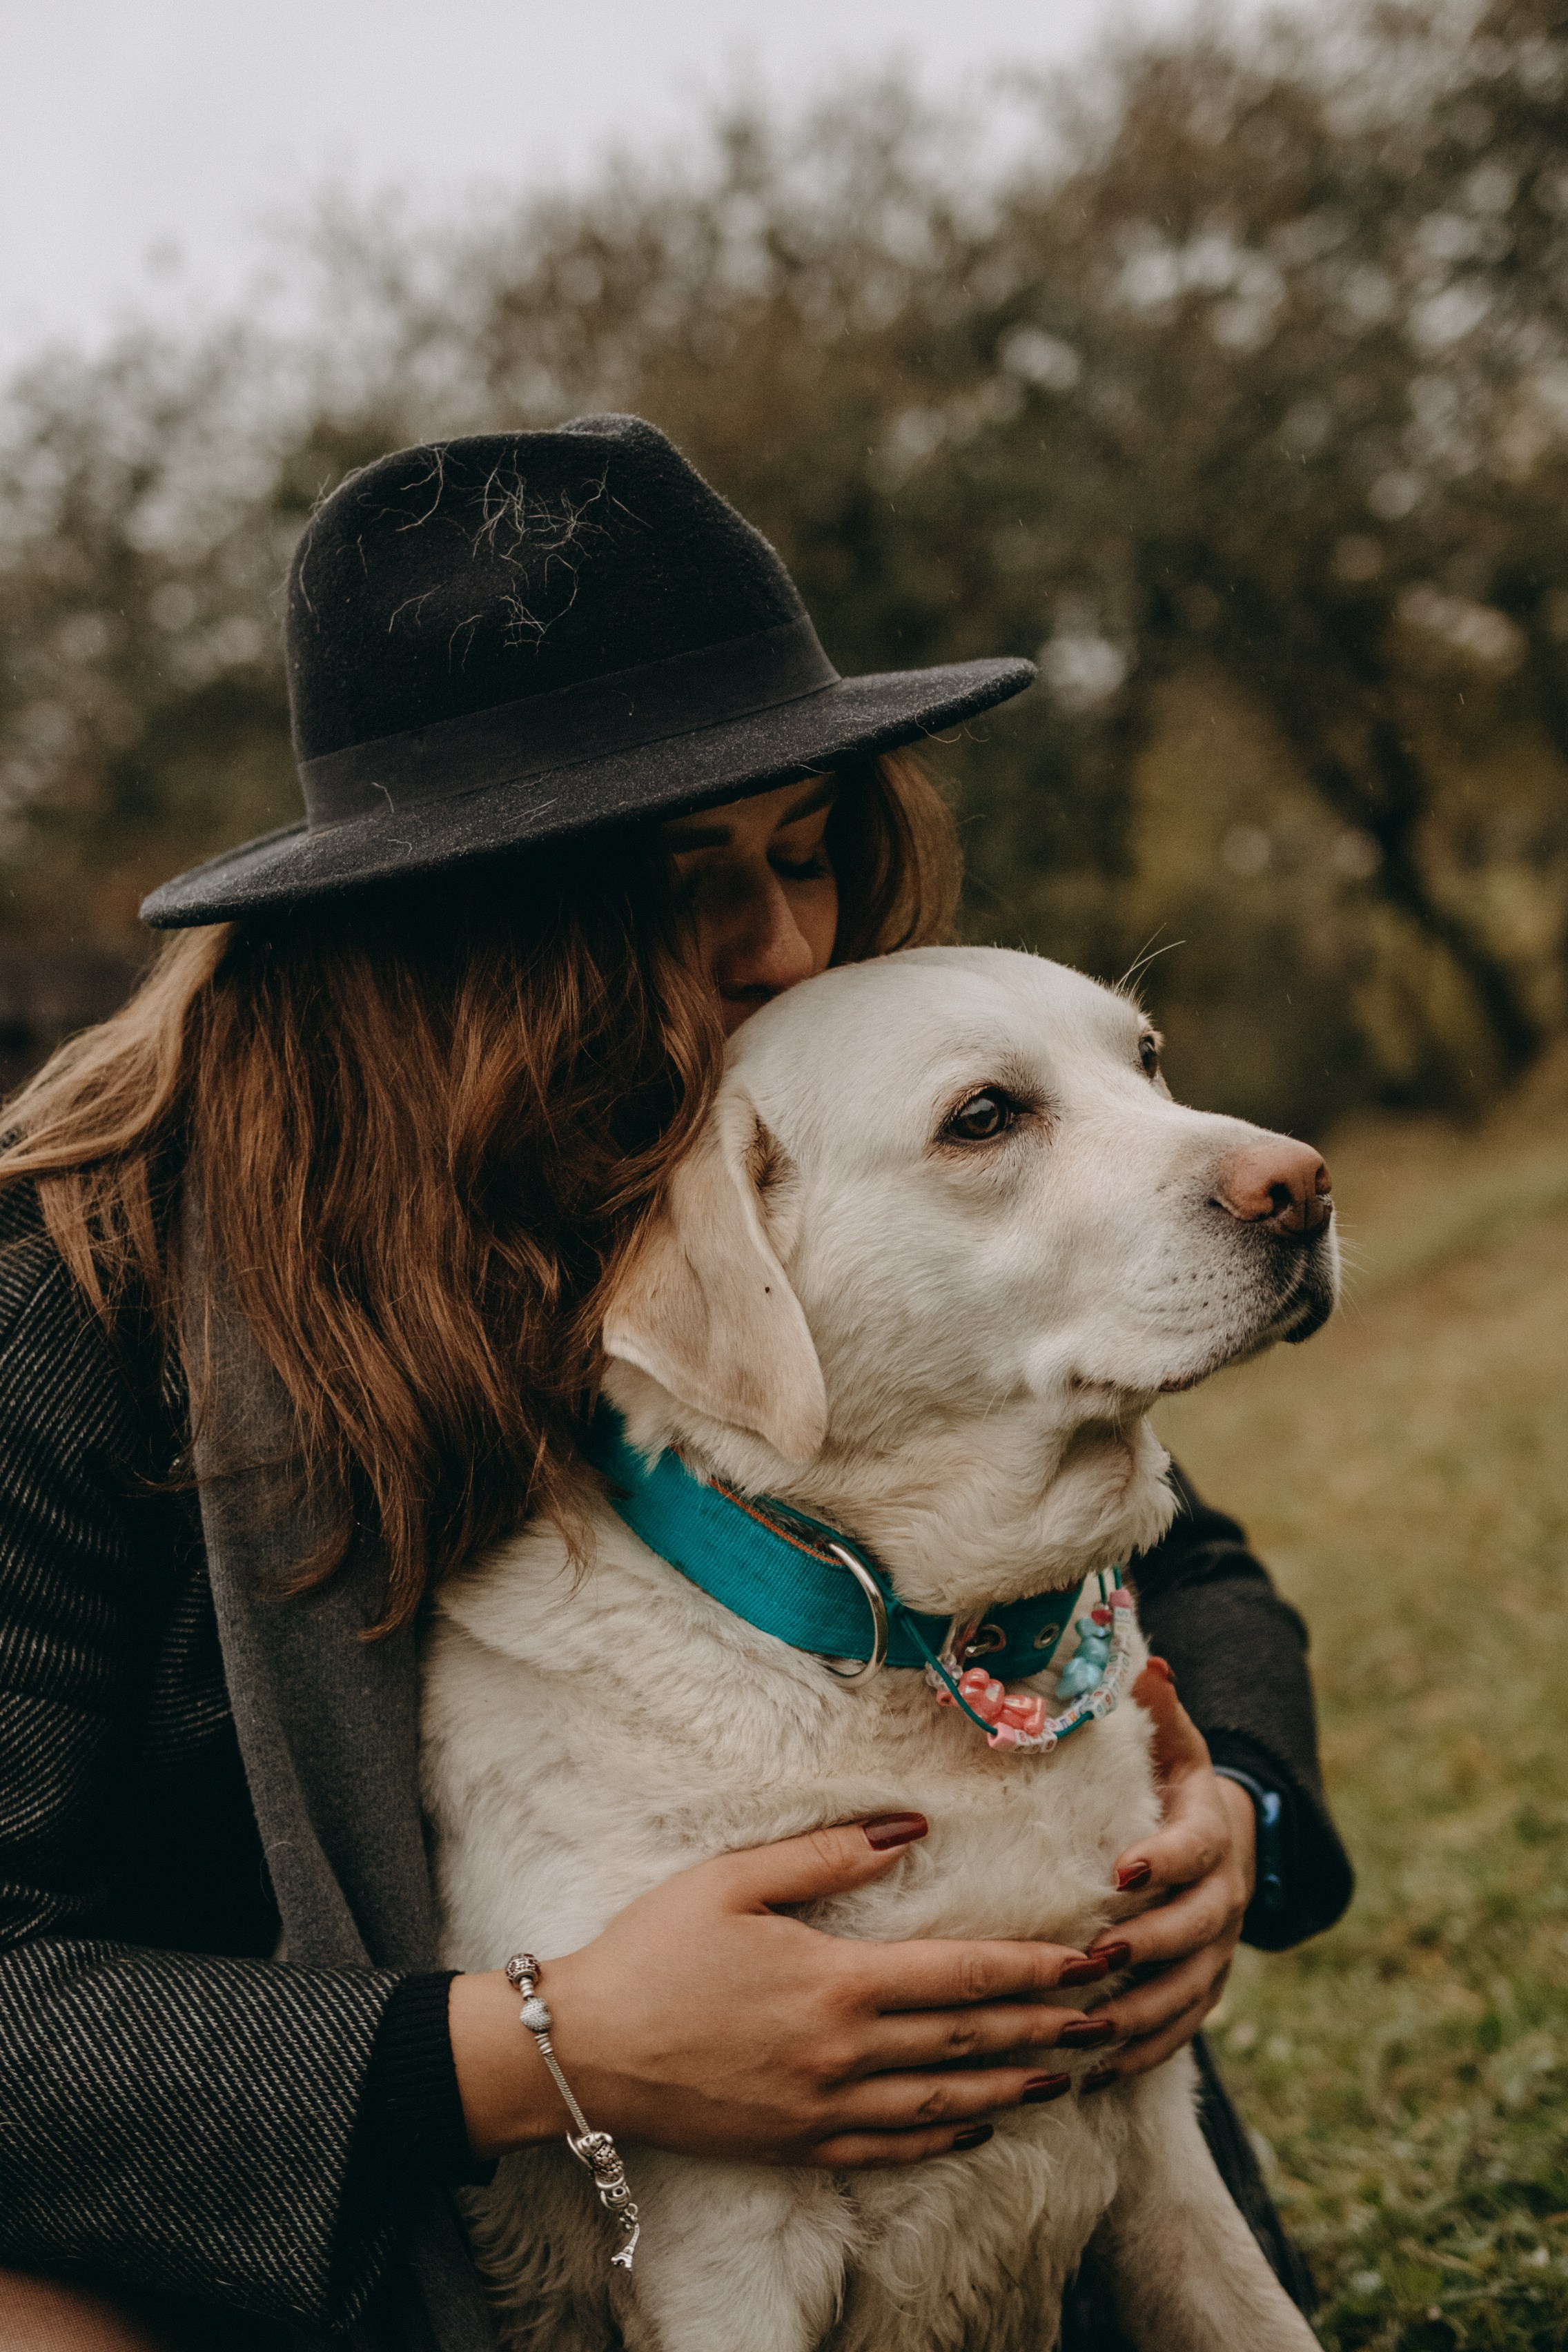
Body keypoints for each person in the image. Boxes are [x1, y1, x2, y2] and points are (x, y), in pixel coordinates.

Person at [0, 417, 1351, 2351]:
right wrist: (541, 2052)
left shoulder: (821, 1127)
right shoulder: (79, 1307)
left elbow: (1170, 1561)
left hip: (955, 2189)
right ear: (428, 935)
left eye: (807, 848)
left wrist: (1241, 1830)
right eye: (670, 886)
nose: (784, 944)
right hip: (348, 2236)